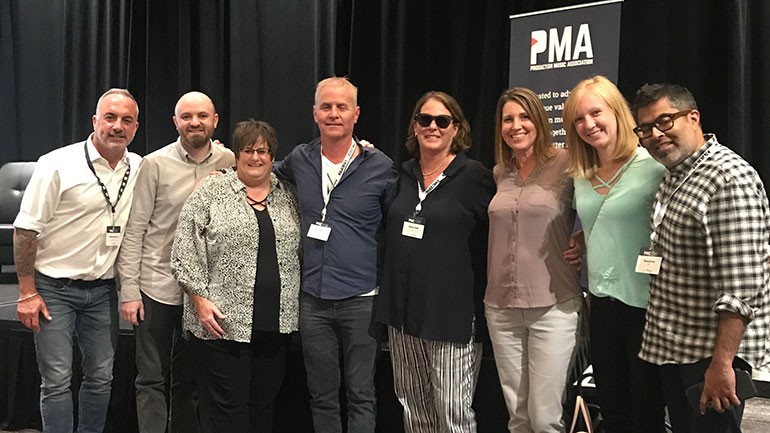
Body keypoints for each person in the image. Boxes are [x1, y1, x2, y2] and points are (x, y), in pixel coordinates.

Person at [632, 83, 770, 433]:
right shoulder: (676, 175)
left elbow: (740, 289)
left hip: (710, 356)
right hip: (678, 346)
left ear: (693, 117)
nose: (654, 135)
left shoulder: (727, 178)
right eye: (645, 128)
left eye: (665, 121)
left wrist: (722, 365)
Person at [272, 77, 398, 433]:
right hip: (313, 299)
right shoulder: (300, 159)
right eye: (326, 107)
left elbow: (395, 224)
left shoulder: (380, 166)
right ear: (315, 113)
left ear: (356, 114)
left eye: (342, 107)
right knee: (321, 395)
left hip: (362, 299)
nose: (333, 113)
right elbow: (261, 173)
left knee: (361, 394)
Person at [13, 88, 142, 433]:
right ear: (94, 121)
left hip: (102, 290)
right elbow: (26, 230)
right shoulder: (56, 164)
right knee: (56, 380)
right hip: (54, 288)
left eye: (126, 120)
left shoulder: (141, 168)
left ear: (136, 127)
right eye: (110, 118)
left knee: (101, 377)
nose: (117, 126)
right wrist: (27, 292)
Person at [374, 91, 495, 433]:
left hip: (451, 317)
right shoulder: (405, 175)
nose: (433, 127)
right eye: (424, 119)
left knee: (453, 414)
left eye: (442, 121)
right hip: (402, 313)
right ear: (415, 126)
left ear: (457, 128)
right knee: (415, 410)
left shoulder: (475, 176)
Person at [171, 119, 301, 432]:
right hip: (223, 325)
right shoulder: (211, 192)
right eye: (248, 151)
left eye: (264, 151)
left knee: (263, 406)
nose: (256, 157)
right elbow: (183, 251)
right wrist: (199, 300)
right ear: (237, 154)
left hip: (276, 326)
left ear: (273, 157)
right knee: (227, 411)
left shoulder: (290, 196)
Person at [116, 91, 235, 433]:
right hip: (157, 285)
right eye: (186, 117)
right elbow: (135, 229)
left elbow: (266, 171)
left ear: (214, 120)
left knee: (190, 379)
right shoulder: (154, 164)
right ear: (175, 122)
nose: (194, 122)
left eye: (201, 116)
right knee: (151, 377)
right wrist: (129, 291)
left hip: (203, 291)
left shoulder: (228, 161)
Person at [563, 75, 667, 433]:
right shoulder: (581, 173)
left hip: (647, 307)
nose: (588, 124)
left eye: (596, 112)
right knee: (613, 408)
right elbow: (602, 219)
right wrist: (583, 237)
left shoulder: (653, 166)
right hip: (602, 304)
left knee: (647, 414)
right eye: (578, 119)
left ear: (617, 112)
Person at [484, 87, 582, 433]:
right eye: (508, 119)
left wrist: (584, 236)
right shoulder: (500, 172)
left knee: (544, 418)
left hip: (553, 306)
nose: (516, 125)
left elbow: (602, 203)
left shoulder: (568, 163)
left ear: (539, 120)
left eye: (524, 116)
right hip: (500, 307)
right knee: (519, 416)